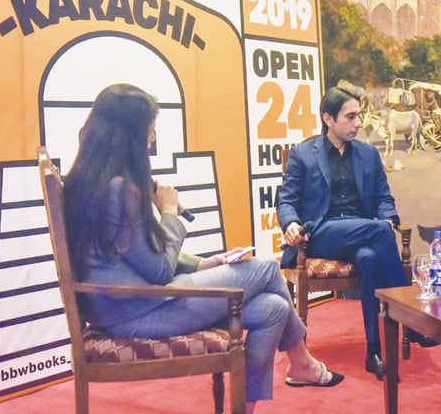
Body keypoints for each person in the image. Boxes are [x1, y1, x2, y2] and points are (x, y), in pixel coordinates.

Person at [63, 84, 342, 414]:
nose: (152, 140)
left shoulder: (95, 179)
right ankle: (301, 360)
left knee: (273, 309)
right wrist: (169, 212)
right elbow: (159, 269)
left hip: (136, 303)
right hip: (139, 312)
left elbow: (139, 254)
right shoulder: (118, 189)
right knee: (267, 268)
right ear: (129, 136)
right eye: (150, 132)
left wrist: (200, 265)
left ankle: (251, 404)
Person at [276, 86, 436, 381]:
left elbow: (384, 198)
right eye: (350, 117)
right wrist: (290, 224)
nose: (358, 123)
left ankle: (373, 351)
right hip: (321, 233)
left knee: (370, 258)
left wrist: (388, 219)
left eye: (359, 116)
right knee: (378, 232)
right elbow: (285, 200)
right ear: (328, 119)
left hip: (360, 234)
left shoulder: (368, 154)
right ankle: (412, 322)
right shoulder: (302, 155)